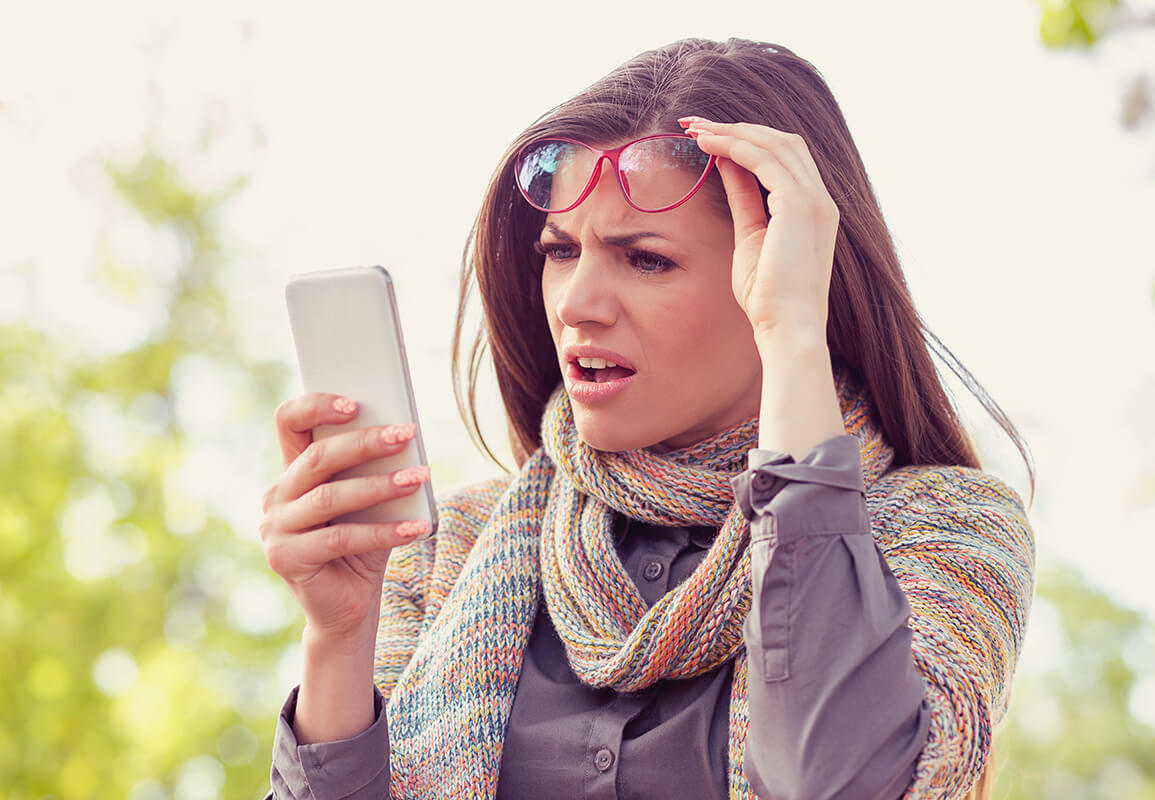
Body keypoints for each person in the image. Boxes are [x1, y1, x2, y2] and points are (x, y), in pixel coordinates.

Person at [259, 37, 1036, 800]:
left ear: (787, 273)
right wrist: (337, 637)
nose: (576, 304)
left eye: (646, 259)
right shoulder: (445, 549)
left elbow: (838, 783)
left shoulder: (952, 531)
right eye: (561, 252)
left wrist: (792, 334)